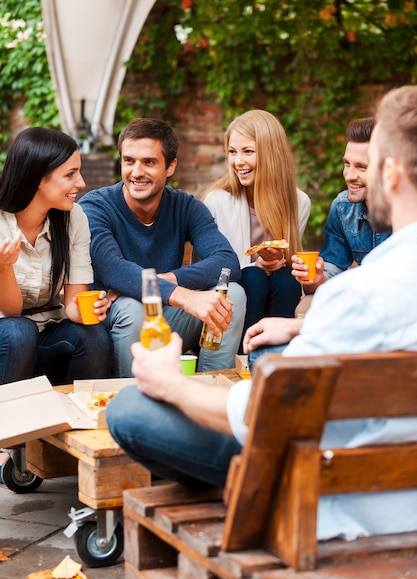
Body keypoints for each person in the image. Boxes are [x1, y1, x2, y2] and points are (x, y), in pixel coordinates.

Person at [106, 84, 417, 540]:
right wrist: (300, 325)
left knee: (129, 407)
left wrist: (170, 383)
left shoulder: (358, 293)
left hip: (339, 501)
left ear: (389, 175)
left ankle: (244, 488)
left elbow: (268, 414)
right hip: (397, 485)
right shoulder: (364, 290)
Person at [80, 118, 246, 376]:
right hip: (116, 322)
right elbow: (113, 270)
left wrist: (162, 280)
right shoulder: (96, 207)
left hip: (166, 318)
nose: (136, 172)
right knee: (131, 307)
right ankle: (132, 400)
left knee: (231, 294)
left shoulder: (186, 207)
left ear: (170, 166)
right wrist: (184, 294)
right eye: (129, 161)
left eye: (149, 162)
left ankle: (210, 390)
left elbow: (227, 262)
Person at [0, 127, 113, 386]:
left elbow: (73, 305)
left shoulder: (74, 219)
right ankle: (11, 422)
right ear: (39, 177)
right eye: (70, 174)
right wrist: (4, 268)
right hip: (6, 337)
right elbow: (10, 311)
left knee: (94, 335)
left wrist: (89, 308)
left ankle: (82, 418)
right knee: (20, 332)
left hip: (47, 332)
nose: (81, 183)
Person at [202, 110, 310, 340]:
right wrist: (255, 266)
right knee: (254, 279)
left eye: (248, 151)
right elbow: (212, 269)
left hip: (276, 287)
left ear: (272, 154)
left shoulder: (299, 202)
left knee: (287, 280)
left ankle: (277, 355)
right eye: (232, 152)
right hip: (233, 290)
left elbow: (289, 264)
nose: (238, 162)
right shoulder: (217, 201)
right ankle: (244, 355)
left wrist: (275, 261)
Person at [292, 116, 391, 315]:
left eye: (362, 167)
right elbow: (329, 273)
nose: (349, 175)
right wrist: (316, 278)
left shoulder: (407, 209)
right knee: (307, 306)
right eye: (347, 164)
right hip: (363, 296)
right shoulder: (343, 207)